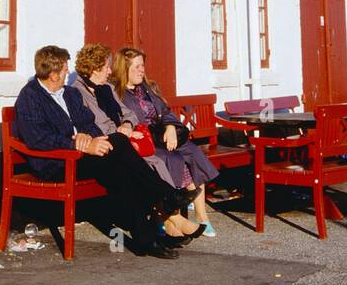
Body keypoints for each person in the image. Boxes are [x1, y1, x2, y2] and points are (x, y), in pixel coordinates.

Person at [13, 45, 186, 258]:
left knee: (124, 166)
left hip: (85, 156)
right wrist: (75, 143)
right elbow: (38, 138)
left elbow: (88, 122)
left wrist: (96, 141)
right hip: (58, 164)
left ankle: (146, 238)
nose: (68, 72)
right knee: (122, 150)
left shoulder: (69, 94)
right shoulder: (30, 97)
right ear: (52, 75)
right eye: (65, 69)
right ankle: (166, 195)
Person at [66, 43, 203, 243]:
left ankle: (168, 221)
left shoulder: (106, 88)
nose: (110, 71)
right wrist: (124, 135)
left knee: (156, 158)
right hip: (105, 148)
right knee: (149, 162)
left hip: (122, 142)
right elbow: (93, 126)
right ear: (94, 69)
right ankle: (170, 218)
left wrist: (128, 126)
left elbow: (128, 113)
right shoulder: (77, 92)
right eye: (106, 67)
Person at [112, 46, 220, 237]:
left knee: (193, 153)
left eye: (142, 65)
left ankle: (203, 217)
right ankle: (168, 217)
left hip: (163, 136)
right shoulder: (116, 92)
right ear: (124, 68)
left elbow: (166, 112)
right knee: (173, 158)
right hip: (143, 142)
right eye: (136, 66)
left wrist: (171, 127)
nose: (141, 70)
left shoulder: (148, 87)